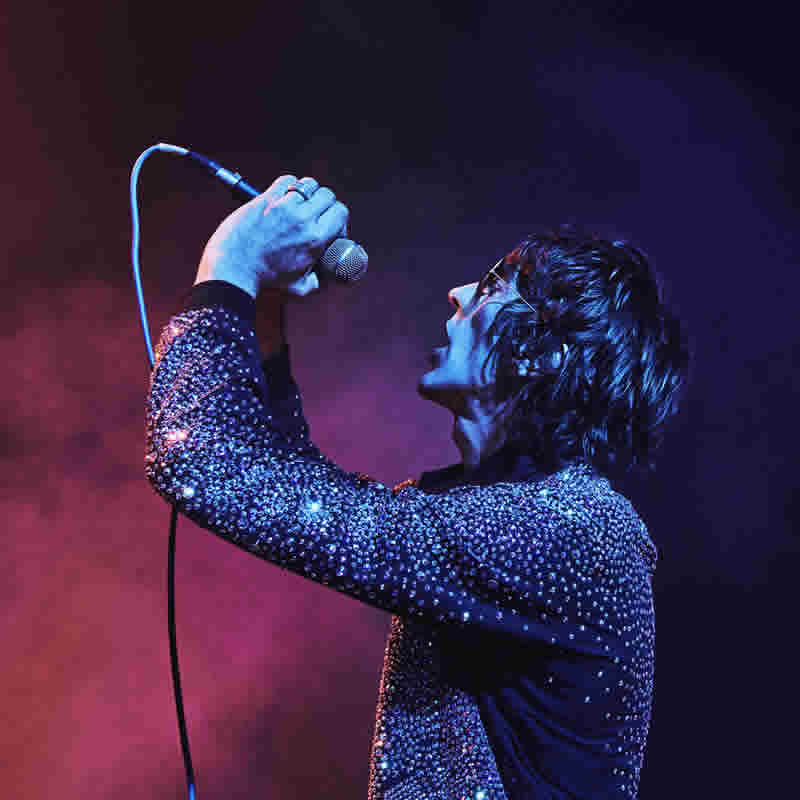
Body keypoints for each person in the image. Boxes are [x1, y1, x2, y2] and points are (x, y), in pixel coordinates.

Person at [145, 174, 691, 799]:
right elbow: (286, 481)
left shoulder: (574, 533)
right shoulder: (505, 516)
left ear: (544, 355)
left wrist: (232, 262)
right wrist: (263, 309)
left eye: (494, 287)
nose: (458, 294)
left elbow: (203, 463)